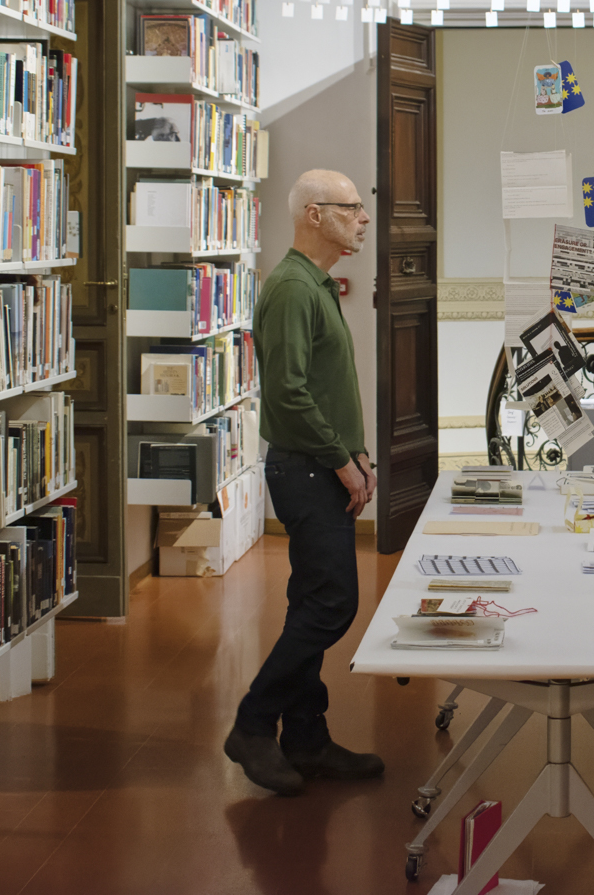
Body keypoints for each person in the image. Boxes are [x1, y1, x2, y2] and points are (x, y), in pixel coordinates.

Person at [225, 169, 384, 796]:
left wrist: (359, 452)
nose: (363, 218)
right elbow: (287, 395)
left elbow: (328, 386)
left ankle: (308, 736)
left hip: (327, 463)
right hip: (307, 469)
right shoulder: (292, 287)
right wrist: (341, 461)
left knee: (310, 599)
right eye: (351, 208)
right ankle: (252, 723)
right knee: (331, 604)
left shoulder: (316, 284)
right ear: (314, 216)